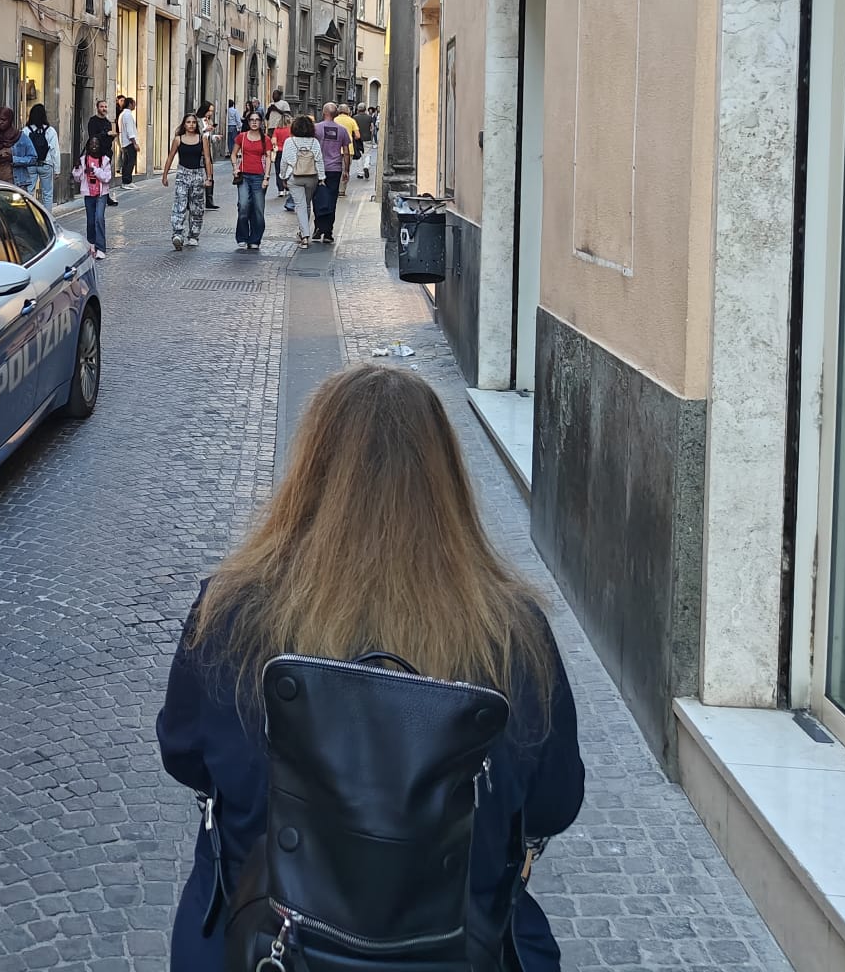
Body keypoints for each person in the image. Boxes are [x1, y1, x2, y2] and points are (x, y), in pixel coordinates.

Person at [156, 365, 584, 972]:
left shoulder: (229, 615)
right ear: (449, 486)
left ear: (309, 475)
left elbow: (183, 755)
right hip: (462, 948)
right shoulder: (515, 635)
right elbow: (554, 804)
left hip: (259, 947)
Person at [165, 112, 211, 250]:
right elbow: (170, 157)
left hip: (197, 174)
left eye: (193, 122)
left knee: (196, 207)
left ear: (196, 125)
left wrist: (209, 177)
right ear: (184, 125)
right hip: (182, 174)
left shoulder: (202, 138)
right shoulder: (178, 139)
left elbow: (207, 159)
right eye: (188, 122)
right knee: (180, 205)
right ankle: (177, 234)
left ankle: (194, 235)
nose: (191, 125)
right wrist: (165, 175)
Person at [229, 109, 269, 252]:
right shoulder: (242, 137)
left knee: (258, 209)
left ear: (260, 122)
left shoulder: (266, 139)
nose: (254, 122)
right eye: (251, 120)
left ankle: (255, 239)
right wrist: (235, 168)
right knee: (243, 205)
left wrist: (267, 177)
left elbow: (269, 158)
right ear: (248, 122)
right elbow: (233, 154)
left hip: (259, 177)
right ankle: (242, 237)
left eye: (256, 120)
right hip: (244, 176)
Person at [279, 114, 321, 246]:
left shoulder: (289, 142)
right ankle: (303, 231)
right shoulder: (315, 142)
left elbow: (284, 161)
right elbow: (319, 161)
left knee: (300, 205)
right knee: (306, 204)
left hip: (294, 176)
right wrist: (322, 177)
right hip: (311, 177)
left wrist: (283, 176)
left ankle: (304, 235)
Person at [73, 132, 114, 260]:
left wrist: (95, 171)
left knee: (99, 218)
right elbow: (78, 178)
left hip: (101, 194)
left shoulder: (105, 160)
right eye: (92, 144)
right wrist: (77, 169)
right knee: (90, 221)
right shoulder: (83, 160)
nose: (94, 146)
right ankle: (91, 245)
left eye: (96, 144)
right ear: (88, 146)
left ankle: (101, 248)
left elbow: (107, 178)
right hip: (88, 194)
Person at [311, 103, 348, 241]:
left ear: (324, 112)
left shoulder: (316, 128)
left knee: (318, 198)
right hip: (335, 168)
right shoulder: (342, 130)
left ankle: (318, 227)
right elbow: (346, 152)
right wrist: (347, 170)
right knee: (332, 199)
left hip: (317, 168)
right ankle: (328, 232)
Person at [22, 103, 59, 210]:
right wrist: (57, 170)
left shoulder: (26, 130)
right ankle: (48, 219)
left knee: (28, 192)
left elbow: (22, 148)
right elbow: (55, 151)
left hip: (30, 164)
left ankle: (29, 216)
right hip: (46, 164)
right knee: (47, 194)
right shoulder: (50, 131)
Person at [85, 98, 120, 206]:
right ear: (97, 108)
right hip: (95, 154)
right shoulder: (93, 121)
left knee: (105, 175)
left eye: (105, 107)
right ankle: (93, 193)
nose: (104, 109)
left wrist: (111, 136)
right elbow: (92, 137)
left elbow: (109, 139)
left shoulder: (107, 122)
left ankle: (105, 195)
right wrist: (106, 134)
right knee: (94, 174)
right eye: (102, 107)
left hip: (106, 153)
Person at [195, 100, 219, 211]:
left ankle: (209, 201)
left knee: (210, 175)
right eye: (209, 111)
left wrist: (215, 137)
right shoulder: (196, 120)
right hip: (198, 150)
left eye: (212, 111)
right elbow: (194, 133)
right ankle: (193, 200)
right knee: (197, 175)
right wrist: (205, 129)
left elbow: (208, 136)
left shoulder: (210, 121)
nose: (210, 114)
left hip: (208, 151)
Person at [335, 103, 362, 195]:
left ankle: (334, 187)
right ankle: (342, 190)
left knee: (335, 169)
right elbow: (358, 136)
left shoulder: (334, 120)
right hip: (348, 148)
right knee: (345, 169)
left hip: (335, 149)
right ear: (348, 111)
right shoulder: (351, 121)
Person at [117, 95, 140, 187]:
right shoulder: (128, 115)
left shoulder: (122, 114)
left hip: (124, 142)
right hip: (129, 142)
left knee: (126, 161)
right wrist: (134, 143)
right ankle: (127, 181)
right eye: (134, 103)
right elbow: (130, 130)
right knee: (130, 161)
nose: (135, 105)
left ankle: (126, 181)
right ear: (130, 104)